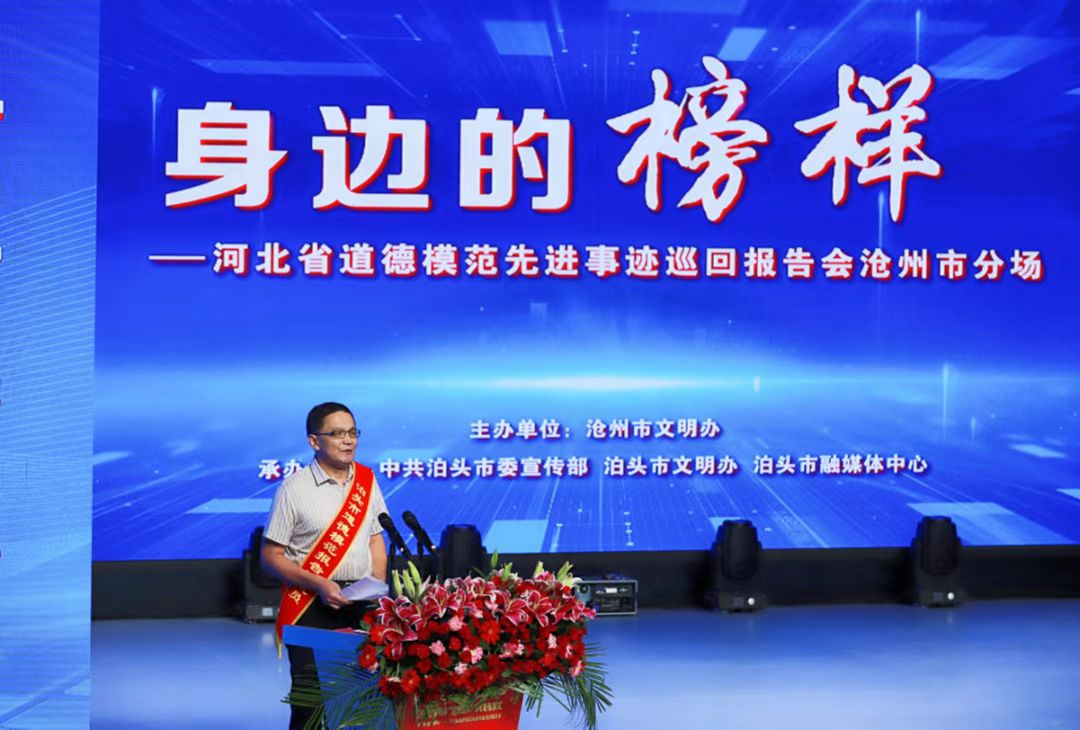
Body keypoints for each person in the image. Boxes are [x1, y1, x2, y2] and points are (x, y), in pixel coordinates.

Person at [262, 402, 388, 730]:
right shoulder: (293, 489)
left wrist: (377, 584)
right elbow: (271, 555)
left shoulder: (367, 480)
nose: (348, 440)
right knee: (311, 704)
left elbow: (376, 537)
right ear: (314, 441)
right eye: (337, 433)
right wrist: (318, 583)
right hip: (310, 606)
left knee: (366, 698)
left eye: (353, 432)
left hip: (362, 602)